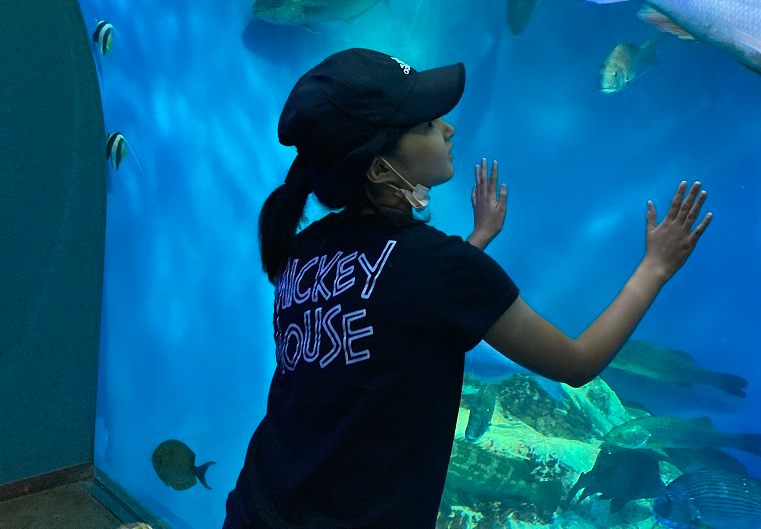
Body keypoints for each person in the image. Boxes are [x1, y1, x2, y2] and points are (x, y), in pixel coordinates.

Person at [223, 48, 712, 529]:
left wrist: (476, 241)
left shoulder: (304, 251)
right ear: (378, 168)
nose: (447, 127)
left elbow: (392, 311)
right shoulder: (439, 267)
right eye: (426, 124)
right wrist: (655, 267)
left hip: (257, 508)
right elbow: (577, 363)